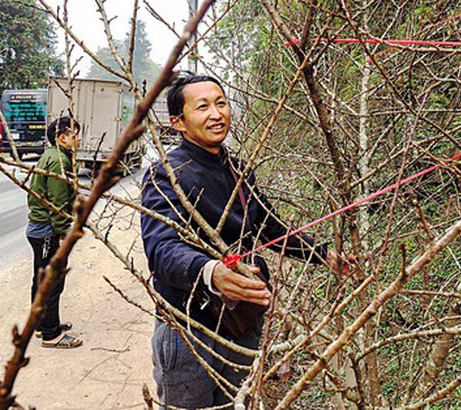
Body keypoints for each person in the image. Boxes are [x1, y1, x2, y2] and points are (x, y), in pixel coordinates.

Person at [140, 73, 340, 408]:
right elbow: (161, 248)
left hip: (242, 324)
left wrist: (323, 254)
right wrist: (210, 272)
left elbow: (269, 227)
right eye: (202, 107)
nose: (216, 114)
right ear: (178, 122)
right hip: (191, 331)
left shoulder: (236, 167)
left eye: (221, 103)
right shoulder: (165, 174)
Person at [26, 116, 83, 349]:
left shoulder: (51, 156)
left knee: (41, 279)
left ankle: (41, 324)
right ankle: (51, 335)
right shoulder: (59, 162)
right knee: (52, 282)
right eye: (75, 134)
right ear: (63, 138)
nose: (78, 139)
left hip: (39, 229)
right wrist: (65, 233)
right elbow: (57, 204)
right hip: (47, 231)